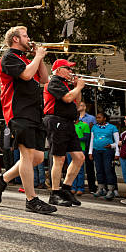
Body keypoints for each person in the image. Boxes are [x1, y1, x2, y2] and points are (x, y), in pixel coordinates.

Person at [0, 26, 56, 214]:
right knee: (27, 155)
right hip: (18, 112)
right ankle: (31, 199)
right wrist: (37, 57)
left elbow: (44, 79)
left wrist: (40, 57)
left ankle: (2, 179)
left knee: (37, 157)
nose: (30, 39)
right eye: (26, 36)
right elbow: (26, 75)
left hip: (34, 112)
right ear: (16, 40)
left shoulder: (28, 59)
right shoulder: (9, 57)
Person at [43, 59, 85, 207]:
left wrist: (77, 88)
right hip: (56, 121)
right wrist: (78, 86)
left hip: (68, 122)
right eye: (68, 69)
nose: (71, 71)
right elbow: (67, 98)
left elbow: (76, 103)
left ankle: (66, 189)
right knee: (59, 159)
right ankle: (54, 193)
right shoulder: (53, 82)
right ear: (58, 70)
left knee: (79, 157)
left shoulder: (65, 84)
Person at [88, 112, 120, 200]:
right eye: (96, 118)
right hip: (96, 151)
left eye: (99, 117)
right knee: (98, 170)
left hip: (108, 151)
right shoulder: (94, 127)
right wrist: (90, 152)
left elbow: (118, 142)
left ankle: (111, 189)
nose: (97, 119)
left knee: (108, 170)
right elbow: (92, 139)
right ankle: (101, 188)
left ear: (105, 118)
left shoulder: (112, 127)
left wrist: (117, 152)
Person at [78, 101, 97, 193]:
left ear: (85, 107)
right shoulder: (75, 118)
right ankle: (77, 186)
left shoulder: (91, 118)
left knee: (89, 166)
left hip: (88, 144)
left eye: (81, 105)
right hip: (78, 145)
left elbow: (94, 130)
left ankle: (92, 187)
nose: (79, 107)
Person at [71, 114, 90, 195]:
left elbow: (86, 137)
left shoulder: (85, 125)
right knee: (71, 169)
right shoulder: (70, 125)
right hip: (70, 150)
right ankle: (72, 187)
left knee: (80, 169)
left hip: (80, 150)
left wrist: (75, 139)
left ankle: (80, 188)